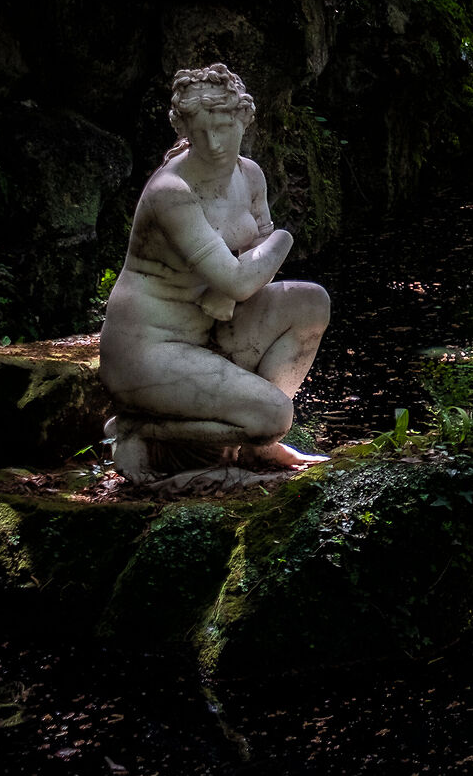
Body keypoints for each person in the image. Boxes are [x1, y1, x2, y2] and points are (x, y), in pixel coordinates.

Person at [99, 64, 331, 486]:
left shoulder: (250, 175)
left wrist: (232, 287)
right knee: (275, 414)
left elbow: (248, 270)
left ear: (243, 119)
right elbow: (247, 274)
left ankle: (255, 439)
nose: (213, 143)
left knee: (310, 302)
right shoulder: (172, 192)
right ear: (184, 128)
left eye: (224, 127)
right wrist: (283, 239)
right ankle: (139, 431)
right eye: (200, 131)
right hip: (149, 349)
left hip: (207, 329)